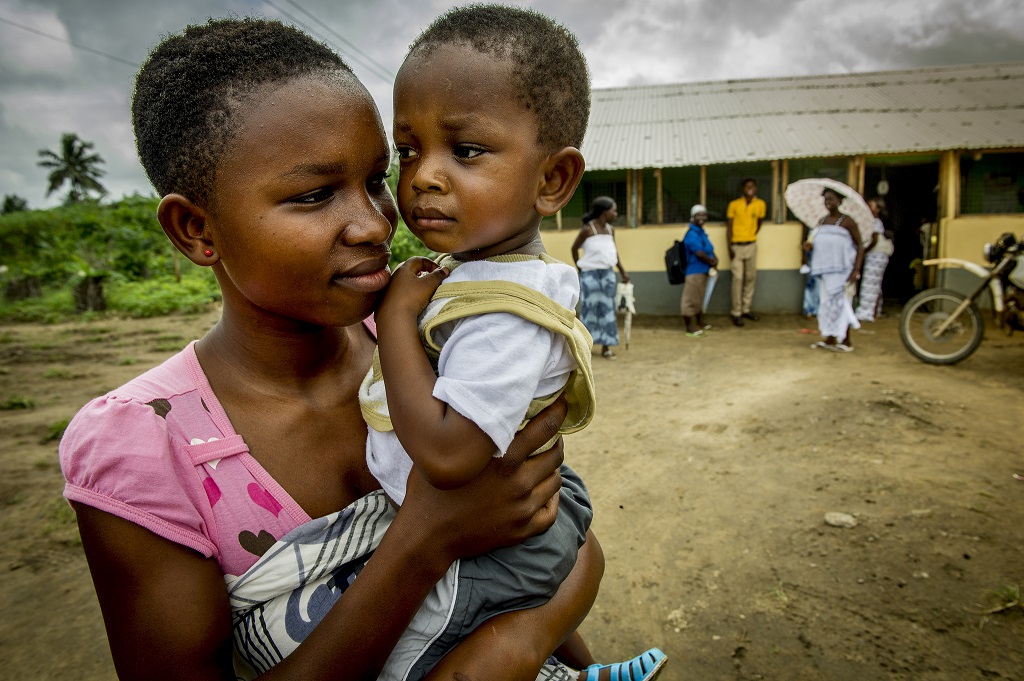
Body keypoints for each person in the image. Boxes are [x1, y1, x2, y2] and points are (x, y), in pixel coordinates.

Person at [56, 17, 642, 681]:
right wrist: (428, 536)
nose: (376, 223)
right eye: (313, 195)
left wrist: (530, 639)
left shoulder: (425, 336)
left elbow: (549, 544)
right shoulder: (147, 452)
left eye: (374, 179)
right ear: (195, 228)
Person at [362, 6, 663, 679]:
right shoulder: (480, 274)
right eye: (408, 151)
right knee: (531, 614)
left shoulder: (508, 309)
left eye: (465, 151)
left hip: (493, 540)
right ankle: (585, 671)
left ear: (552, 180)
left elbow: (447, 452)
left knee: (411, 659)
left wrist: (395, 326)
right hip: (516, 513)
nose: (423, 177)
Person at [806, 188, 865, 352]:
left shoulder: (848, 222)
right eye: (825, 200)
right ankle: (830, 337)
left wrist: (856, 269)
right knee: (826, 304)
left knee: (842, 304)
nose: (828, 203)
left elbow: (860, 245)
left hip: (843, 271)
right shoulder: (822, 221)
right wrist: (809, 247)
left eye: (831, 199)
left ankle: (845, 339)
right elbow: (815, 243)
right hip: (825, 271)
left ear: (839, 201)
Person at [572, 196, 631, 359]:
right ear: (604, 212)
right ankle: (586, 347)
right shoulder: (587, 229)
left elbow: (614, 253)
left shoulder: (611, 230)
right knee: (589, 310)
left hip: (607, 274)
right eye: (614, 210)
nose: (616, 214)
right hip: (590, 274)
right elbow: (574, 248)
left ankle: (606, 347)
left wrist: (623, 272)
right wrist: (580, 268)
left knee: (607, 311)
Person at [726, 177, 767, 326]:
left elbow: (759, 223)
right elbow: (729, 227)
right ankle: (736, 312)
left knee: (750, 277)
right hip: (736, 245)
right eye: (747, 186)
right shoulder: (734, 205)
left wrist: (750, 236)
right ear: (743, 189)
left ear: (756, 188)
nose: (750, 188)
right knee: (737, 279)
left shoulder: (760, 204)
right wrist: (729, 246)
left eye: (752, 186)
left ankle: (746, 309)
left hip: (751, 245)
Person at [680, 204, 718, 336]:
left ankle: (700, 322)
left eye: (704, 214)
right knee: (690, 299)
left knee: (700, 298)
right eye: (698, 215)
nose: (702, 217)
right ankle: (689, 327)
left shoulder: (701, 232)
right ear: (692, 217)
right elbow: (699, 252)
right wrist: (711, 261)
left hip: (704, 271)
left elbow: (709, 249)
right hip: (694, 271)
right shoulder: (691, 234)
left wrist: (714, 260)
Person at [855, 197, 893, 322]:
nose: (868, 207)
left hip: (876, 254)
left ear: (878, 209)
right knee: (875, 284)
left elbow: (874, 239)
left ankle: (867, 312)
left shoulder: (875, 221)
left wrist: (863, 251)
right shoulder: (873, 221)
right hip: (877, 255)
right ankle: (875, 311)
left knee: (870, 283)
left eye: (871, 205)